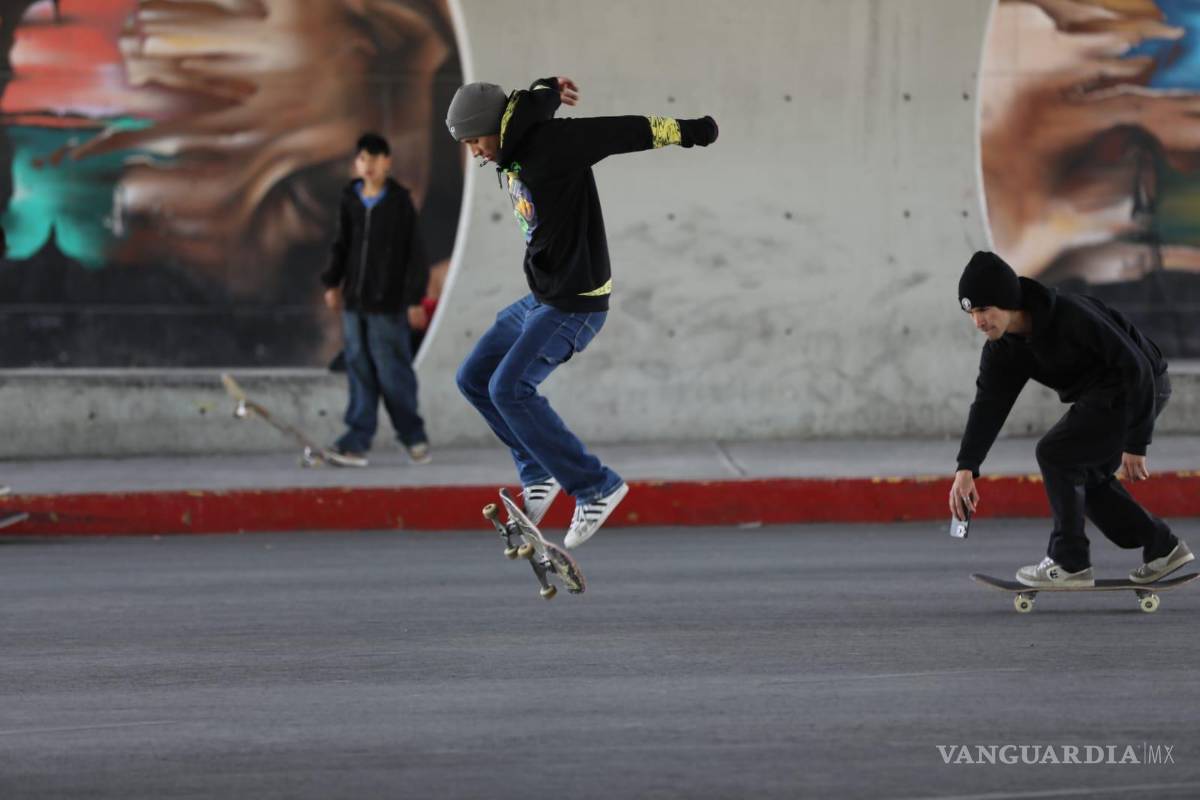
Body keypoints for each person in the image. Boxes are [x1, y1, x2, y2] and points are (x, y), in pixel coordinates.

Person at [445, 77, 717, 548]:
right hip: (541, 299)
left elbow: (622, 131)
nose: (475, 153)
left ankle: (596, 487)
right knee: (473, 377)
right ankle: (539, 474)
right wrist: (547, 85)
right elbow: (532, 103)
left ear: (494, 127)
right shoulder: (516, 136)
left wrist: (691, 130)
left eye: (475, 141)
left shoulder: (554, 145)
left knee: (509, 388)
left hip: (576, 304)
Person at [949, 250, 1192, 587]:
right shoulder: (1002, 349)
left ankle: (1069, 561)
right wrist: (966, 467)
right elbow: (988, 405)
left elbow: (1135, 366)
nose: (978, 322)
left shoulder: (1068, 315)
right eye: (971, 313)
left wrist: (1138, 441)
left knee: (1056, 454)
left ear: (1007, 302)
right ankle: (1162, 547)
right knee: (1084, 478)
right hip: (1105, 393)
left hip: (1139, 384)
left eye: (984, 310)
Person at [321, 132, 431, 466]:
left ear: (388, 162)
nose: (368, 165)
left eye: (375, 158)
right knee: (359, 368)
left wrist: (414, 299)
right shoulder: (350, 199)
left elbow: (415, 254)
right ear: (357, 163)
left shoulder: (399, 202)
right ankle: (357, 440)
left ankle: (413, 435)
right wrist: (332, 282)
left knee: (392, 370)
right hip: (354, 301)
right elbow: (341, 244)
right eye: (362, 159)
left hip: (389, 304)